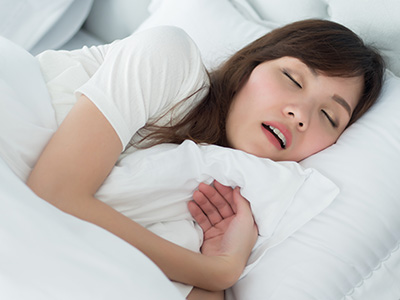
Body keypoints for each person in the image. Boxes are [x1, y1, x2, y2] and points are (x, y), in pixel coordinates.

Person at [27, 19, 384, 299]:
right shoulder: (171, 58)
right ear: (249, 68)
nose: (301, 114)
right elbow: (51, 193)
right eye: (292, 78)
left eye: (328, 116)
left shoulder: (221, 201)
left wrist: (217, 274)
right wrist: (218, 271)